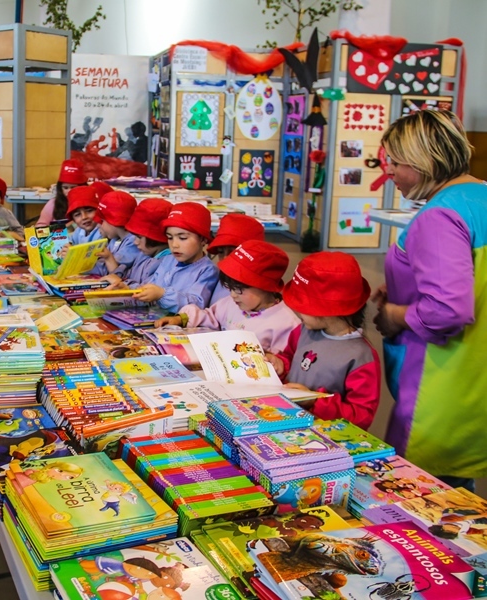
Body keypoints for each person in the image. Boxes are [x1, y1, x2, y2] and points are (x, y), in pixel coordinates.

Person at [372, 109, 487, 491]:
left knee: (420, 501)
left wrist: (394, 313)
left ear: (424, 162)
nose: (389, 172)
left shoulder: (440, 216)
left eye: (396, 163)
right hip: (475, 382)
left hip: (439, 385)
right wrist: (405, 284)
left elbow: (448, 309)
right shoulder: (479, 195)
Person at [267, 252, 381, 430]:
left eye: (302, 306)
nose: (297, 312)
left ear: (328, 309)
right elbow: (291, 357)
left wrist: (315, 400)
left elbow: (362, 416)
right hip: (286, 423)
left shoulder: (361, 357)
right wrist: (279, 364)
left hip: (324, 439)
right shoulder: (303, 330)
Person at [157, 241, 300, 352]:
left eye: (238, 289)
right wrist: (180, 319)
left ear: (265, 287)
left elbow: (284, 364)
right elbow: (210, 316)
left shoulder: (286, 324)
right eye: (230, 288)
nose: (232, 295)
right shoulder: (230, 304)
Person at [131, 202, 218, 312]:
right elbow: (150, 286)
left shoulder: (207, 270)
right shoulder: (168, 259)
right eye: (170, 237)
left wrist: (162, 294)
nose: (174, 245)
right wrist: (127, 289)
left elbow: (196, 304)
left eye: (182, 238)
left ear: (203, 240)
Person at [101, 198, 172, 289]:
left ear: (154, 238)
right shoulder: (143, 254)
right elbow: (128, 275)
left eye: (139, 237)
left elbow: (147, 291)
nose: (135, 242)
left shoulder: (167, 263)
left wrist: (123, 285)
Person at [207, 213, 265, 304]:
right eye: (221, 252)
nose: (225, 258)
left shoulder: (256, 295)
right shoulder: (218, 278)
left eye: (234, 253)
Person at [89, 191, 143, 277]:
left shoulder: (133, 243)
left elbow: (106, 269)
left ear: (114, 221)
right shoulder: (115, 239)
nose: (100, 226)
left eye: (102, 221)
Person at [36, 159, 88, 226]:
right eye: (65, 188)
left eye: (73, 188)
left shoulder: (90, 204)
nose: (69, 191)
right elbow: (39, 228)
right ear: (60, 188)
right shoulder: (52, 204)